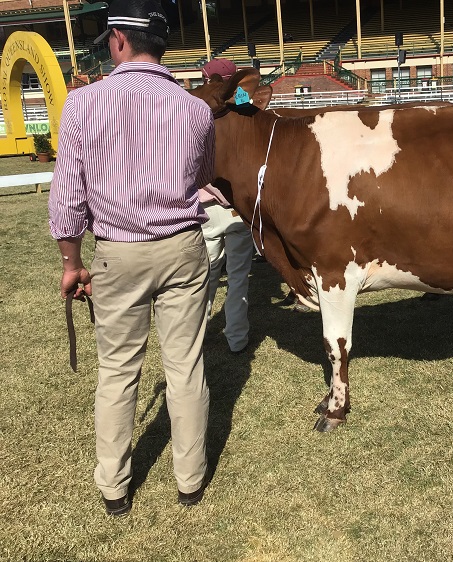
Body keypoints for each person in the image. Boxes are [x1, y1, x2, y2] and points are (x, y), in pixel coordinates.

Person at [48, 0, 215, 516]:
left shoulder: (82, 104)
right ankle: (190, 480)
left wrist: (71, 262)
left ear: (118, 39)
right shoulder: (196, 109)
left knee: (119, 371)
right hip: (182, 247)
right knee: (185, 365)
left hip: (118, 252)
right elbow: (201, 177)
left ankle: (115, 486)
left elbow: (67, 195)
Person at [200, 58, 255, 354]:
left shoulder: (196, 108)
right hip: (235, 207)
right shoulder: (246, 107)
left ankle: (197, 334)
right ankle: (237, 339)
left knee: (204, 277)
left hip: (206, 208)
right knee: (238, 279)